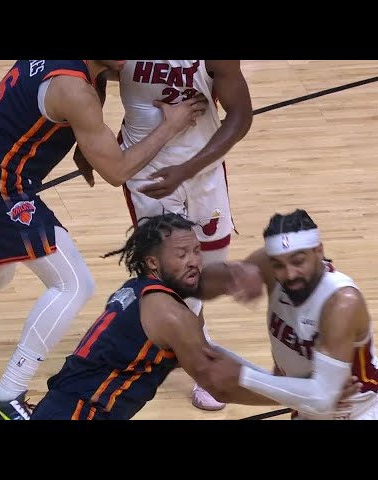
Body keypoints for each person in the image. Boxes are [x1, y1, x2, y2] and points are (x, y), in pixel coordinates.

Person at [0, 60, 209, 421]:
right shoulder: (74, 90)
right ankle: (6, 397)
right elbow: (116, 170)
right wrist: (171, 124)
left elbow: (97, 88)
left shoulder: (82, 73)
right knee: (74, 285)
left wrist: (85, 142)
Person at [29, 212, 361, 420]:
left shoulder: (139, 291)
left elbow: (213, 354)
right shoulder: (170, 314)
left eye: (197, 251)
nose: (193, 261)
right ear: (153, 262)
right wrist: (309, 396)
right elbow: (220, 383)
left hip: (62, 405)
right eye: (181, 254)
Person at [73, 60, 254, 411]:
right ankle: (202, 362)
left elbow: (241, 116)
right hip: (147, 169)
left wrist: (186, 169)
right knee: (175, 270)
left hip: (203, 166)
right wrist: (85, 140)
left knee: (207, 268)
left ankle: (189, 337)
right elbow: (94, 72)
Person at [227, 208, 378, 420]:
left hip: (364, 412)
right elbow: (206, 284)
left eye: (298, 261)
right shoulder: (270, 272)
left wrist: (240, 376)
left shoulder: (341, 302)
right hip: (308, 409)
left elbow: (322, 399)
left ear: (319, 251)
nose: (290, 274)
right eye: (279, 265)